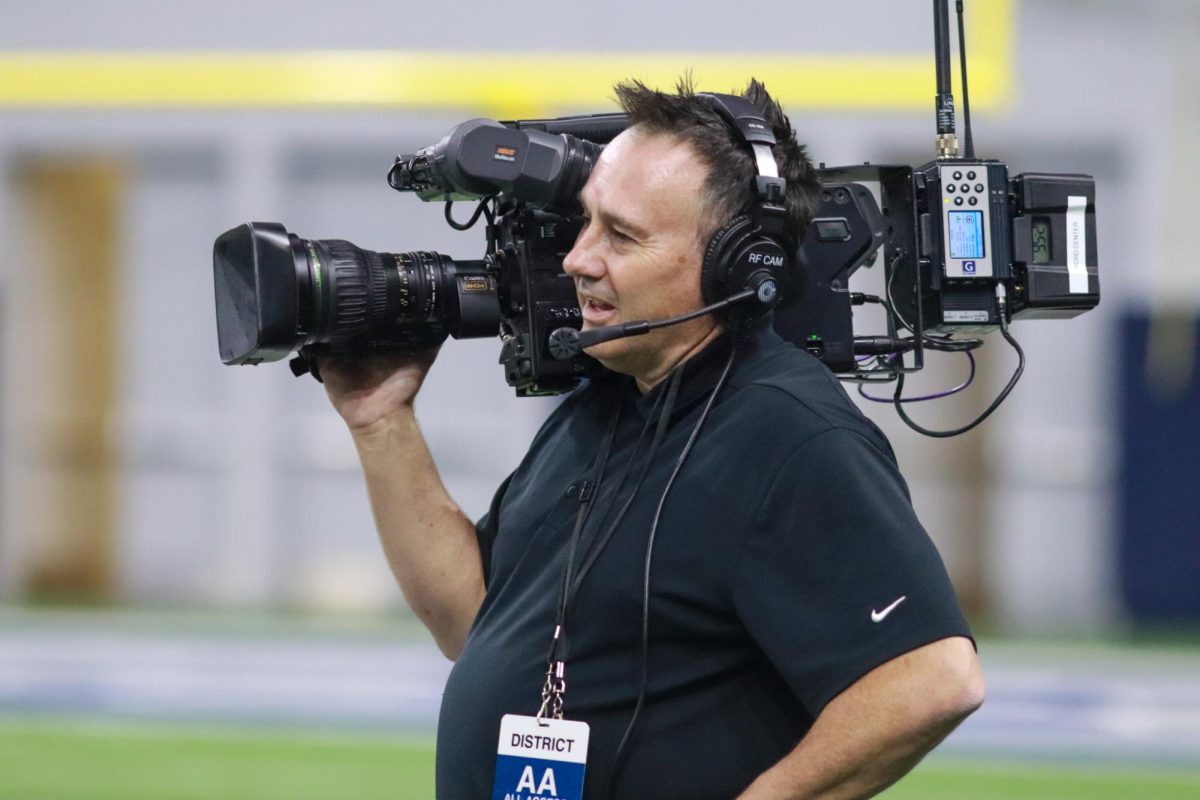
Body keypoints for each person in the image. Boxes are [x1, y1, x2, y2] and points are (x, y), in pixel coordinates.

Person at [321, 78, 984, 800]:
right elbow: (474, 623)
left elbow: (931, 679)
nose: (579, 258)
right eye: (585, 223)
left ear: (735, 263)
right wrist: (380, 420)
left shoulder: (787, 431)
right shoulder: (608, 401)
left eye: (622, 235)